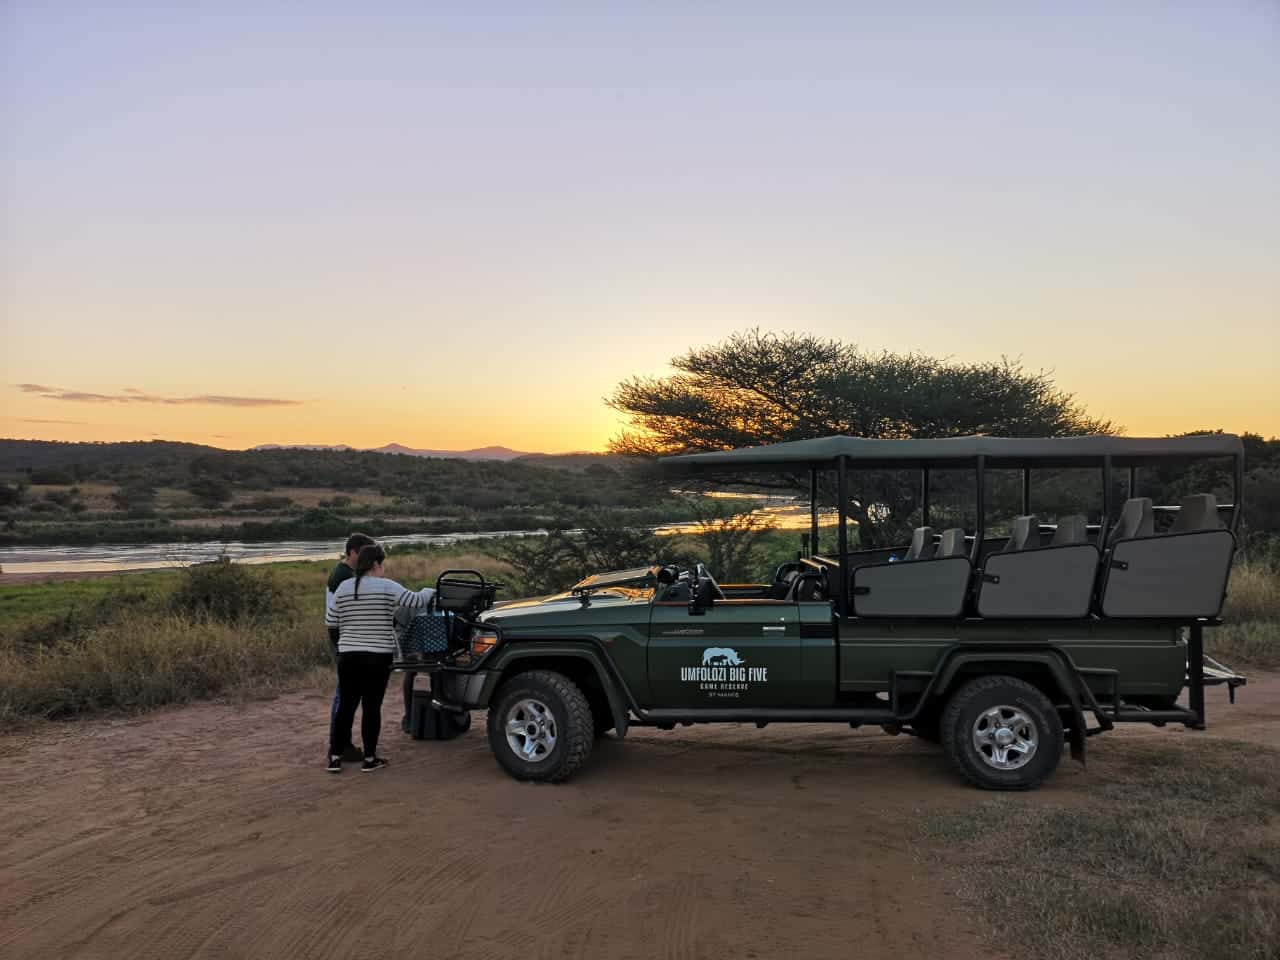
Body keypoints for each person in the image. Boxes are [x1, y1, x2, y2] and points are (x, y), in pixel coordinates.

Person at [325, 543, 434, 772]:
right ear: (376, 564)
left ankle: (335, 758)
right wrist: (429, 590)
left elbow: (331, 621)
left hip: (348, 656)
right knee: (371, 708)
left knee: (346, 706)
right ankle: (369, 759)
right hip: (377, 656)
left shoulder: (345, 586)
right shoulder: (387, 586)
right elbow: (414, 601)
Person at [326, 533, 375, 761]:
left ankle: (340, 745)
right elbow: (338, 616)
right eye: (365, 554)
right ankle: (339, 745)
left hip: (344, 639)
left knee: (346, 696)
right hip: (345, 641)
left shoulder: (345, 573)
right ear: (354, 552)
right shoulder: (343, 578)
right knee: (345, 698)